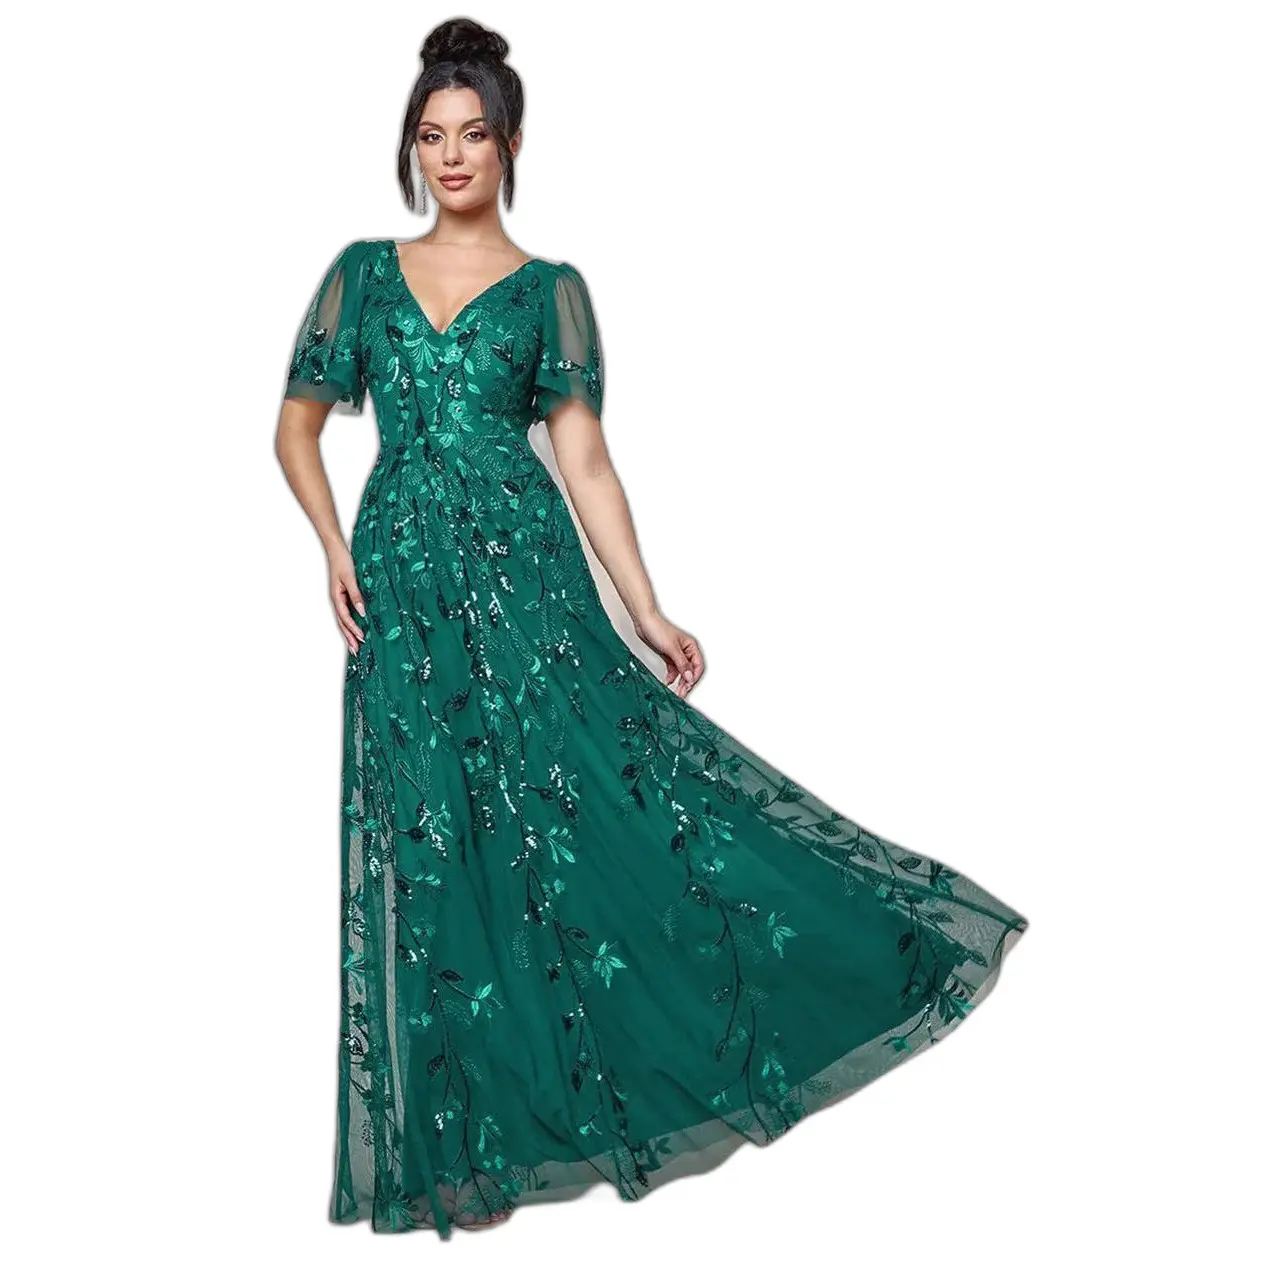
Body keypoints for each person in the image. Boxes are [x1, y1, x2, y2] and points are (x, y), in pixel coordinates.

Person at [275, 16, 1029, 1240]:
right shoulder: (361, 273)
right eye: (431, 135)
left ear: (512, 145)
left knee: (597, 816)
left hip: (531, 589)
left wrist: (645, 607)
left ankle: (830, 961)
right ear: (411, 148)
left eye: (473, 134)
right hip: (402, 597)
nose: (451, 155)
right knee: (434, 843)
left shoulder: (551, 293)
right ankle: (471, 1142)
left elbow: (585, 460)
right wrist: (332, 547)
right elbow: (295, 427)